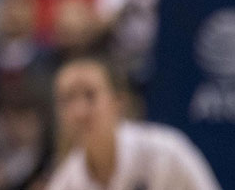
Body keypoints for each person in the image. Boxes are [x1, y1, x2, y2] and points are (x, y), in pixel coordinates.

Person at [46, 55, 220, 190]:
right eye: (67, 99)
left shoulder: (166, 152)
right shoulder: (64, 182)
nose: (79, 111)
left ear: (118, 102)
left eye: (90, 95)